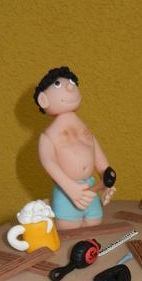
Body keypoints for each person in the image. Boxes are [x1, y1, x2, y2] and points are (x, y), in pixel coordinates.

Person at [34, 67, 116, 229]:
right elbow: (49, 163)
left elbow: (98, 156)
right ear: (43, 100)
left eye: (72, 82)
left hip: (91, 191)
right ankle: (47, 212)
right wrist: (70, 188)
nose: (70, 86)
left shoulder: (85, 129)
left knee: (94, 226)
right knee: (68, 232)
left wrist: (106, 182)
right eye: (58, 84)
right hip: (67, 194)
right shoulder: (48, 135)